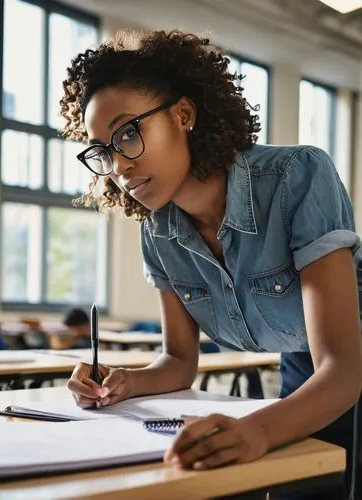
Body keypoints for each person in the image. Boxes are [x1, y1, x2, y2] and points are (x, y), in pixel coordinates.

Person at [60, 30, 362, 499]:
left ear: (183, 115)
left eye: (127, 133)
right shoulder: (158, 231)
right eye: (102, 150)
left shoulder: (296, 177)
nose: (117, 166)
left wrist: (259, 430)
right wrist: (124, 383)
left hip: (342, 365)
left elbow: (343, 368)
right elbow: (180, 361)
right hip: (309, 364)